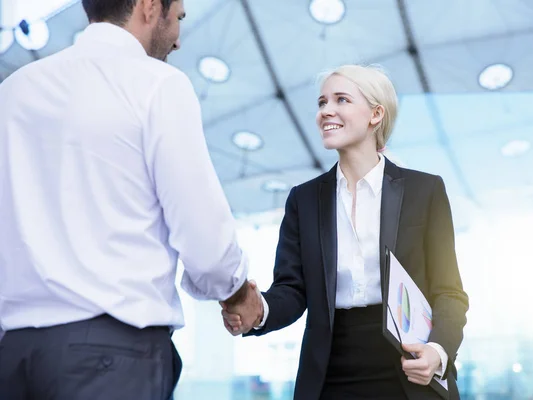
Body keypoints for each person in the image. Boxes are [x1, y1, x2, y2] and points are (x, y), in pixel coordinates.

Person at [0, 0, 262, 399]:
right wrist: (239, 294)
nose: (177, 39)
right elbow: (204, 240)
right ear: (149, 7)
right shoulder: (156, 84)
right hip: (109, 361)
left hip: (14, 359)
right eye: (179, 18)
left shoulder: (14, 91)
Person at [222, 65, 469, 400]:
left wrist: (438, 352)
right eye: (322, 102)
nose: (326, 111)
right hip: (330, 371)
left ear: (375, 114)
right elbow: (293, 290)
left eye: (341, 100)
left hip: (409, 367)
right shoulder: (304, 200)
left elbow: (449, 293)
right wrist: (259, 310)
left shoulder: (424, 191)